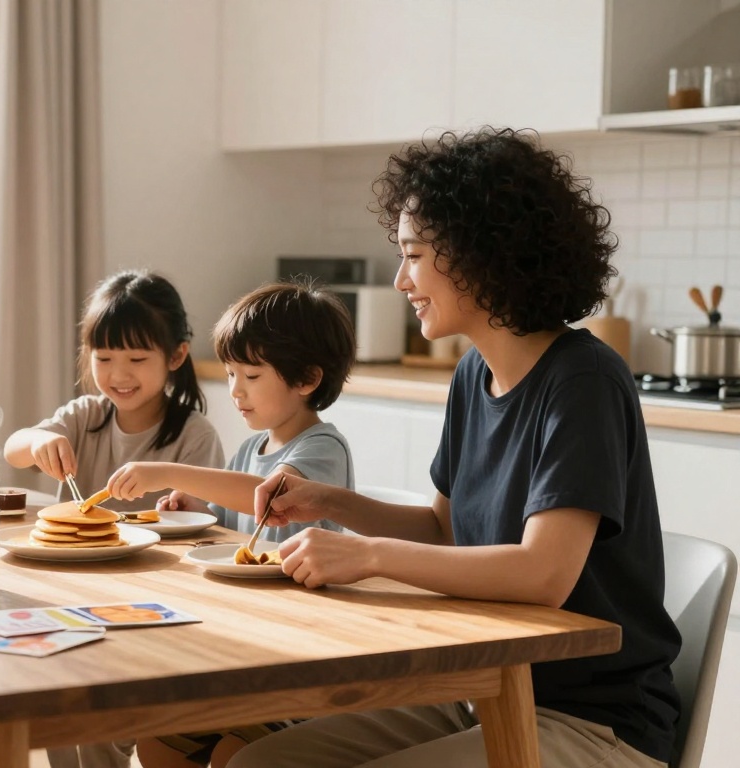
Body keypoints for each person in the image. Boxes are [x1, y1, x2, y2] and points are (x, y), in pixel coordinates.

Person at [232, 128, 680, 768]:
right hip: (485, 685)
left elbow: (543, 574)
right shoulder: (473, 374)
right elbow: (444, 531)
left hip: (593, 723)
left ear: (480, 253)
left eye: (413, 255)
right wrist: (329, 501)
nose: (398, 280)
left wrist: (369, 555)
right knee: (263, 763)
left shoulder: (583, 381)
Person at [104, 279, 357, 768]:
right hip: (243, 638)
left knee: (234, 754)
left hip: (296, 655)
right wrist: (194, 507)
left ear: (305, 379)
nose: (235, 390)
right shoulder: (251, 448)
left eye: (252, 376)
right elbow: (229, 522)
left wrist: (168, 471)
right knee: (157, 741)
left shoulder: (322, 448)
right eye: (230, 373)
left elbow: (273, 496)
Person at [4, 269, 226, 768]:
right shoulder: (86, 415)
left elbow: (207, 528)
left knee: (101, 725)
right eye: (104, 358)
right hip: (74, 596)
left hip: (155, 607)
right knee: (53, 712)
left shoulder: (193, 435)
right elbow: (13, 447)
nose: (118, 374)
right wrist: (39, 441)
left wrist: (179, 503)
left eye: (137, 359)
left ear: (176, 356)